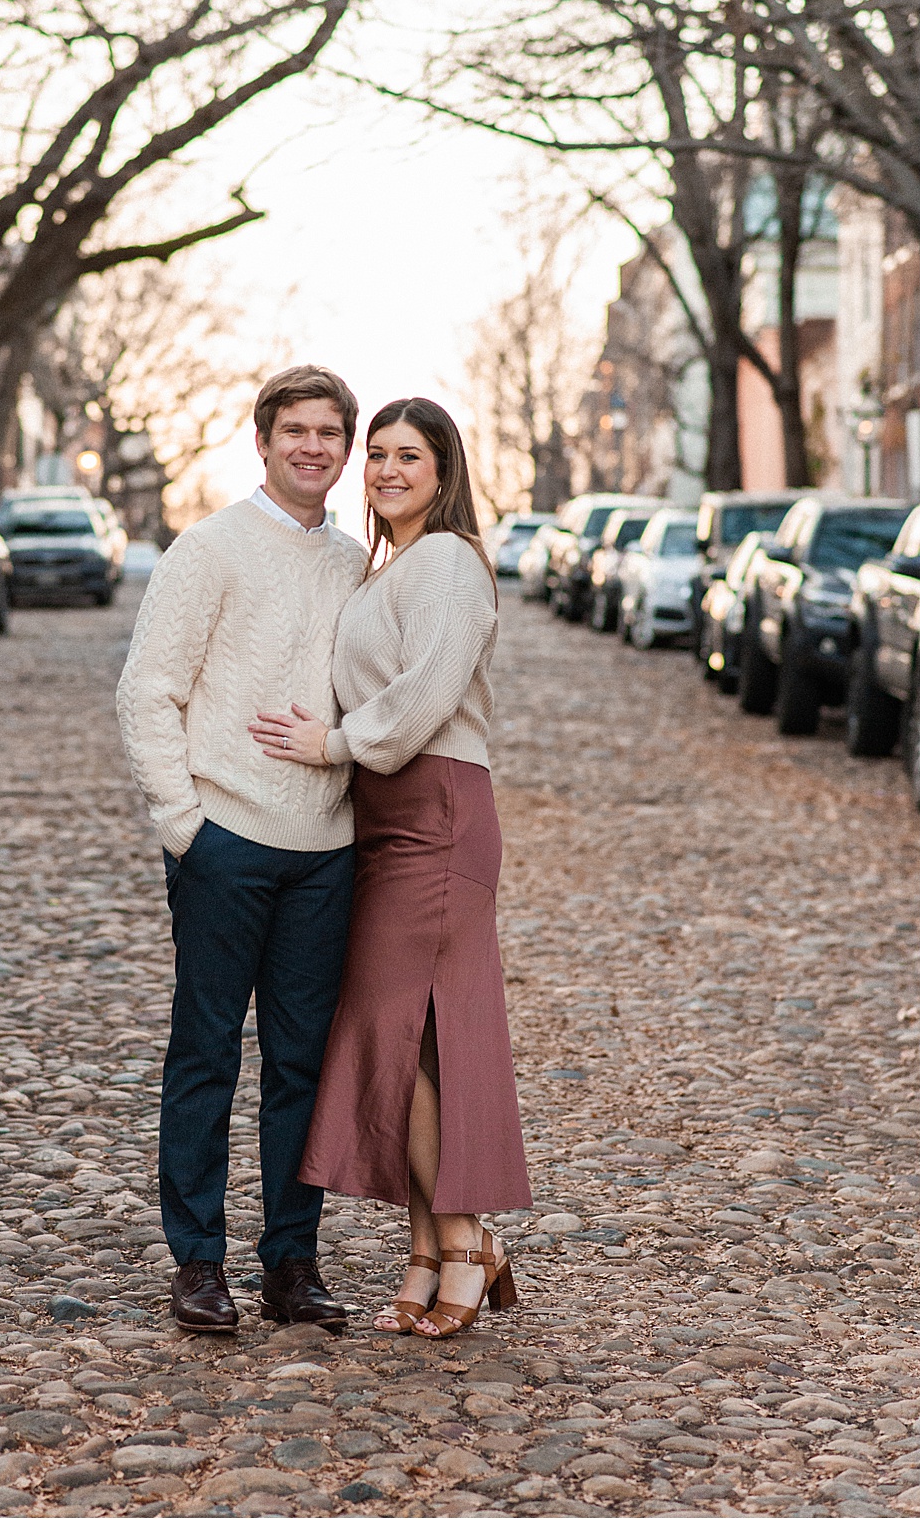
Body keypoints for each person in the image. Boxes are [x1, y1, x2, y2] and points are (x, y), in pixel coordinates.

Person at [251, 396, 532, 1340]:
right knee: (409, 1042)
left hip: (439, 812)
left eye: (407, 455)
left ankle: (463, 1243)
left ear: (444, 472)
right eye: (376, 455)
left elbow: (423, 696)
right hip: (383, 819)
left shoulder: (448, 562)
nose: (385, 470)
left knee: (397, 1028)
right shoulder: (386, 568)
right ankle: (430, 1250)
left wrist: (331, 742)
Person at [117, 365, 370, 1335]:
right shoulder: (211, 548)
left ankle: (291, 1263)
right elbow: (149, 691)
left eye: (329, 433)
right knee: (206, 1056)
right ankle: (197, 1262)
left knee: (302, 1063)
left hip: (324, 852)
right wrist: (185, 824)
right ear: (262, 441)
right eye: (294, 430)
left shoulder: (353, 563)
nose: (313, 446)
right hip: (224, 844)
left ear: (345, 450)